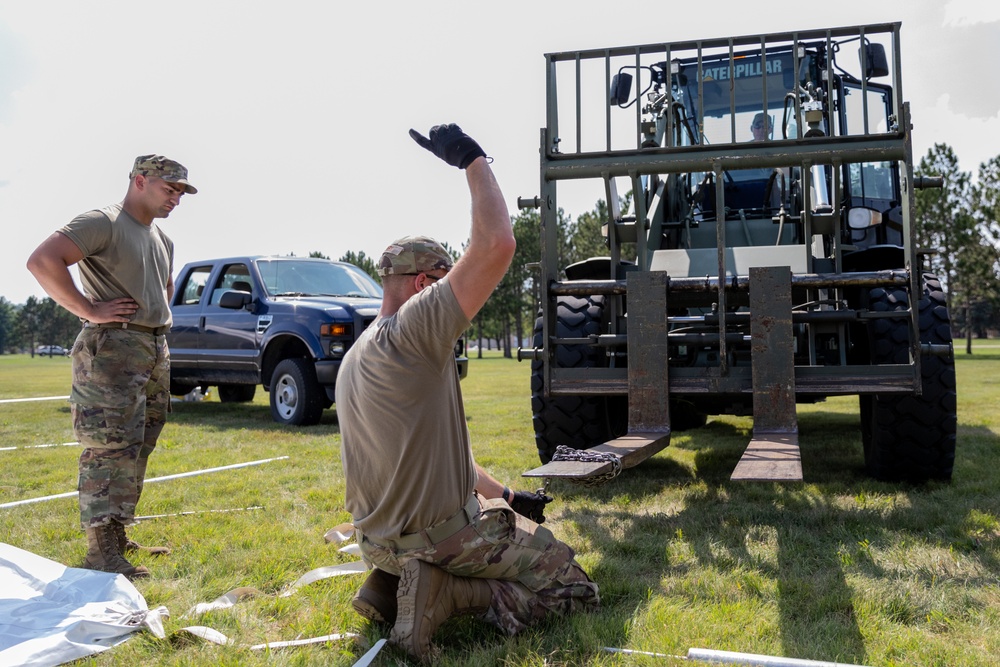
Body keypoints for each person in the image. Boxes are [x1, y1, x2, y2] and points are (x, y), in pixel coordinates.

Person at [335, 124, 599, 662]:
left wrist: (505, 496)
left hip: (377, 540)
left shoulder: (358, 355)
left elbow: (432, 459)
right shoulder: (415, 328)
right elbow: (497, 244)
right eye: (444, 275)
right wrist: (472, 159)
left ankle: (391, 584)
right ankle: (447, 593)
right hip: (436, 537)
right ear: (423, 286)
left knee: (481, 529)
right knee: (575, 589)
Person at [26, 154, 197, 580]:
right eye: (168, 188)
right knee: (107, 448)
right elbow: (42, 260)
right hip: (112, 346)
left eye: (180, 191)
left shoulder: (161, 238)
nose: (176, 197)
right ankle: (100, 550)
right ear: (139, 181)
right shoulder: (103, 221)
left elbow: (165, 285)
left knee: (138, 444)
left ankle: (118, 534)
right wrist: (89, 309)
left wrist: (156, 318)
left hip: (152, 346)